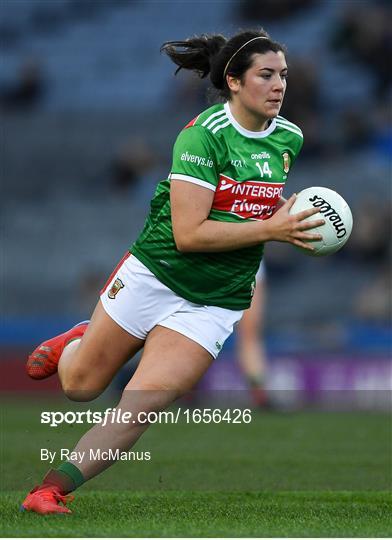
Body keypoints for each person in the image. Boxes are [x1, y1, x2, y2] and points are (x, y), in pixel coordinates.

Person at [21, 28, 325, 514]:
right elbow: (191, 234)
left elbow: (251, 214)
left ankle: (48, 490)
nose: (279, 86)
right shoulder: (202, 136)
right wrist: (272, 228)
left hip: (216, 301)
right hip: (157, 272)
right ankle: (80, 337)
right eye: (266, 75)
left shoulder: (290, 138)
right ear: (233, 81)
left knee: (141, 405)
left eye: (284, 76)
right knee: (79, 387)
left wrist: (290, 223)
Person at [236, 262, 270, 407]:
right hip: (205, 257)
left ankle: (259, 394)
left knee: (250, 332)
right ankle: (187, 389)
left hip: (247, 258)